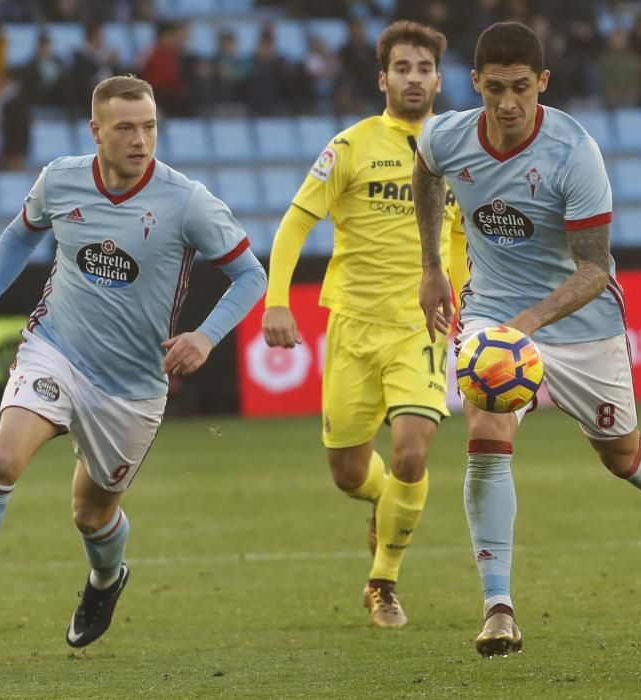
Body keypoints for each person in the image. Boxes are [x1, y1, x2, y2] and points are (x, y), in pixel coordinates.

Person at [0, 74, 267, 654]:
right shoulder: (61, 179)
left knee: (91, 514)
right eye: (125, 128)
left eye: (149, 127)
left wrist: (207, 335)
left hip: (133, 386)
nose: (140, 140)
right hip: (56, 348)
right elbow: (20, 236)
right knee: (2, 460)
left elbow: (251, 275)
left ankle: (105, 580)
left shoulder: (186, 200)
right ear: (95, 131)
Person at [412, 22, 641, 657]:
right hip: (492, 311)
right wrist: (433, 266)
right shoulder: (447, 134)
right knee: (486, 441)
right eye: (495, 89)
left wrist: (525, 328)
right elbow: (426, 169)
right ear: (477, 85)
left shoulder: (574, 152)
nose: (508, 103)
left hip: (580, 322)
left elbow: (594, 271)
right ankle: (498, 607)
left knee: (621, 457)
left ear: (542, 83)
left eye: (521, 87)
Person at [262, 20, 466, 629]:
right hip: (353, 327)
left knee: (410, 454)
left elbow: (463, 236)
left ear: (438, 79)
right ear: (384, 79)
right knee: (351, 473)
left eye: (424, 69)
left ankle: (383, 582)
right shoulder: (350, 146)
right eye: (402, 68)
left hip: (419, 331)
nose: (414, 78)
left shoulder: (457, 151)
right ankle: (382, 502)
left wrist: (462, 301)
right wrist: (277, 299)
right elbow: (297, 222)